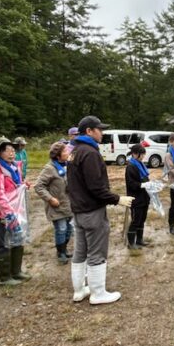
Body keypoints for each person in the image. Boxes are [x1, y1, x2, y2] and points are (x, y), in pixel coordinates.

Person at [67, 116, 134, 304]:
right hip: (91, 211)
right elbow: (96, 187)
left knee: (80, 252)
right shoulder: (90, 153)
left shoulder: (74, 151)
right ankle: (98, 293)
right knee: (97, 251)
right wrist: (118, 199)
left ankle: (79, 290)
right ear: (89, 131)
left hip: (79, 211)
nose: (102, 133)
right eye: (99, 129)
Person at [0, 137, 31, 286]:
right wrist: (8, 213)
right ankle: (4, 278)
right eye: (8, 150)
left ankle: (16, 272)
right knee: (4, 244)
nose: (12, 153)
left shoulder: (14, 167)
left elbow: (13, 186)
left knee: (17, 240)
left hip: (15, 211)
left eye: (13, 150)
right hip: (0, 213)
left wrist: (23, 185)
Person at [35, 141, 73, 265]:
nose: (68, 153)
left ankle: (64, 248)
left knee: (69, 229)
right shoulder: (50, 168)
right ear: (58, 155)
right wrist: (50, 199)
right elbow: (39, 186)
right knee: (61, 229)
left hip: (69, 204)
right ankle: (60, 253)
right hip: (56, 205)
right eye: (65, 151)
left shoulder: (68, 165)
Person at [125, 143, 151, 249]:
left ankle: (139, 240)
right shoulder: (131, 166)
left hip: (144, 197)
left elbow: (145, 177)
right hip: (136, 198)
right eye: (142, 154)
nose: (143, 156)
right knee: (136, 220)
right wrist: (142, 184)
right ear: (135, 154)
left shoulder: (140, 164)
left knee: (142, 219)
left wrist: (150, 184)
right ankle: (131, 243)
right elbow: (131, 183)